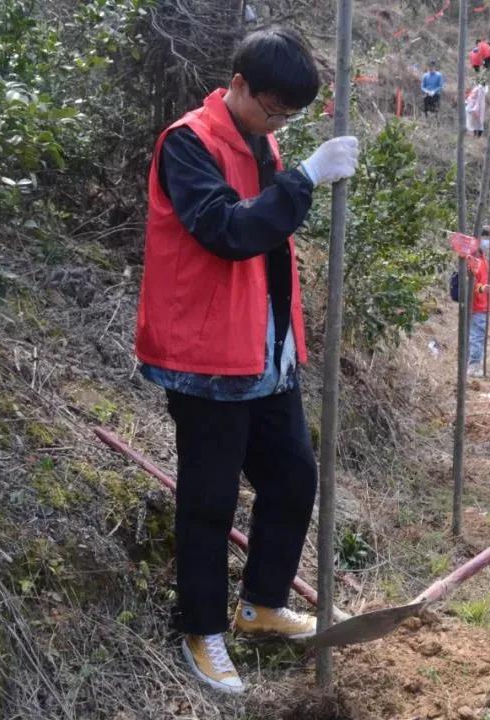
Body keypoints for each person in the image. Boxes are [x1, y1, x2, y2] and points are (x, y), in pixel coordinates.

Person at [134, 28, 360, 694]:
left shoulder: (261, 138)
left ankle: (262, 602)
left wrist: (295, 173)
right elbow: (230, 231)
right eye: (272, 109)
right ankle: (201, 630)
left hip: (263, 349)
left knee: (292, 476)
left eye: (290, 117)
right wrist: (307, 177)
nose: (278, 124)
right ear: (237, 85)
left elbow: (271, 227)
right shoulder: (187, 143)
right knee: (209, 498)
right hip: (206, 355)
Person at [468, 228, 490, 377]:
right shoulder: (472, 259)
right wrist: (482, 288)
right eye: (488, 238)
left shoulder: (483, 258)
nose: (489, 241)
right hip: (476, 304)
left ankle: (474, 364)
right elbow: (469, 283)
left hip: (483, 304)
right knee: (477, 336)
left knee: (477, 336)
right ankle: (473, 366)